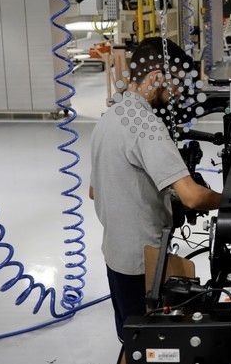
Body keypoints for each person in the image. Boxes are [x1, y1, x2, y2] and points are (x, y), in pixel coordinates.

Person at [89, 37, 220, 346]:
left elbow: (95, 191)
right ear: (156, 75)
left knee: (131, 340)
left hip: (116, 255)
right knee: (154, 348)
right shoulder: (146, 124)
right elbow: (192, 196)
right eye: (173, 82)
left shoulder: (109, 118)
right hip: (144, 261)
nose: (175, 93)